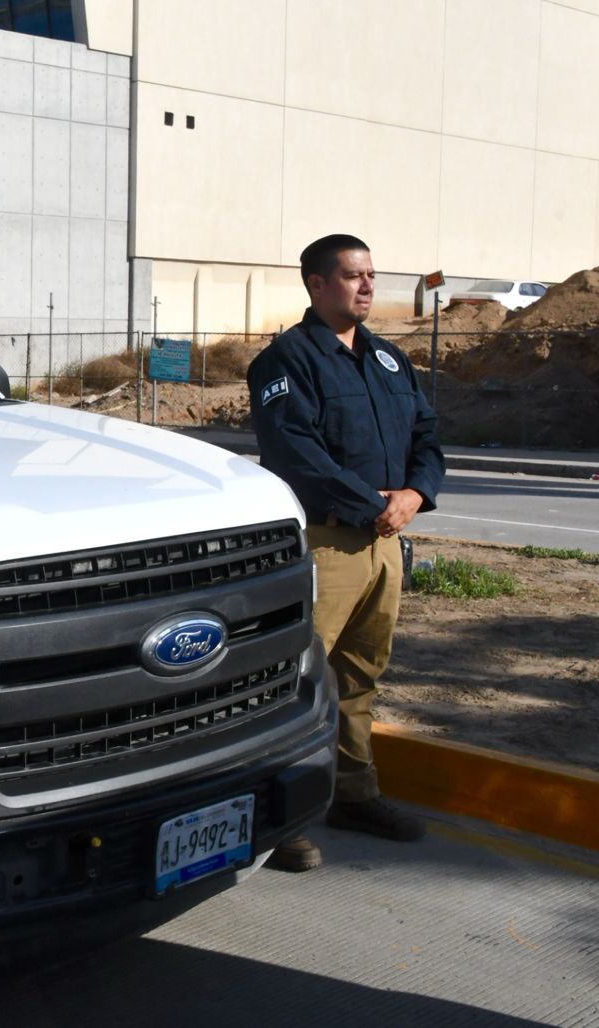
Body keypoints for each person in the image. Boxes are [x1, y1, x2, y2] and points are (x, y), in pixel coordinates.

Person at [246, 233, 444, 873]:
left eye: (371, 275)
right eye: (354, 275)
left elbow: (427, 436)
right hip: (326, 544)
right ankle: (278, 819)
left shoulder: (389, 359)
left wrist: (414, 494)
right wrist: (372, 503)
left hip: (383, 544)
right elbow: (294, 451)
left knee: (359, 678)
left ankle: (355, 796)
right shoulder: (287, 361)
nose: (368, 286)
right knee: (294, 682)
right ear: (316, 283)